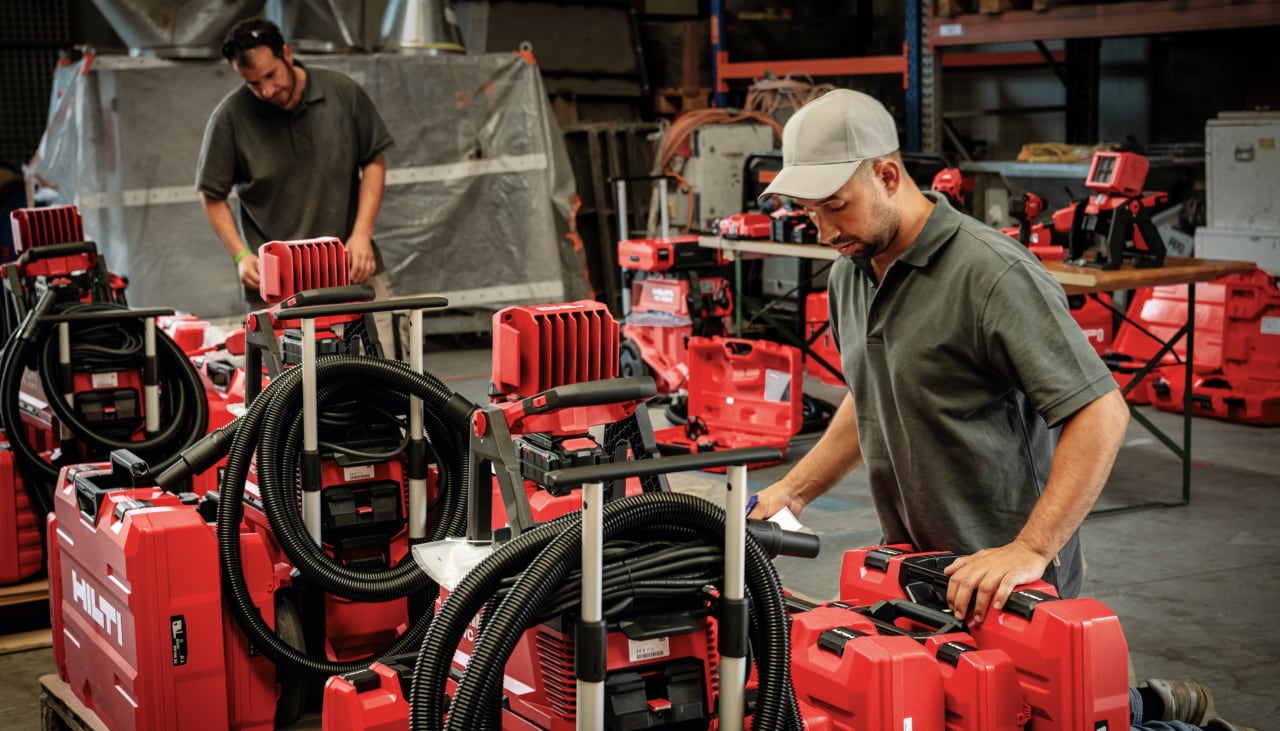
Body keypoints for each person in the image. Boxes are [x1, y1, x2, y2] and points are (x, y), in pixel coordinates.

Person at [748, 88, 1131, 625]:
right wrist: (793, 491)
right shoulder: (848, 274)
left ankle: (1152, 708)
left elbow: (1101, 413)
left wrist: (1030, 550)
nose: (827, 232)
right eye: (812, 213)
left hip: (1004, 582)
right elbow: (875, 396)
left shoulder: (992, 275)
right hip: (911, 571)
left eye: (836, 206)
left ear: (886, 176)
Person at [196, 18, 401, 354]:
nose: (266, 91)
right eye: (253, 84)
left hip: (351, 267)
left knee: (385, 372)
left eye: (271, 76)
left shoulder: (342, 94)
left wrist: (362, 233)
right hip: (277, 285)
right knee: (287, 394)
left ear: (287, 54)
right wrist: (241, 256)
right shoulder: (230, 118)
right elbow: (213, 195)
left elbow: (374, 160)